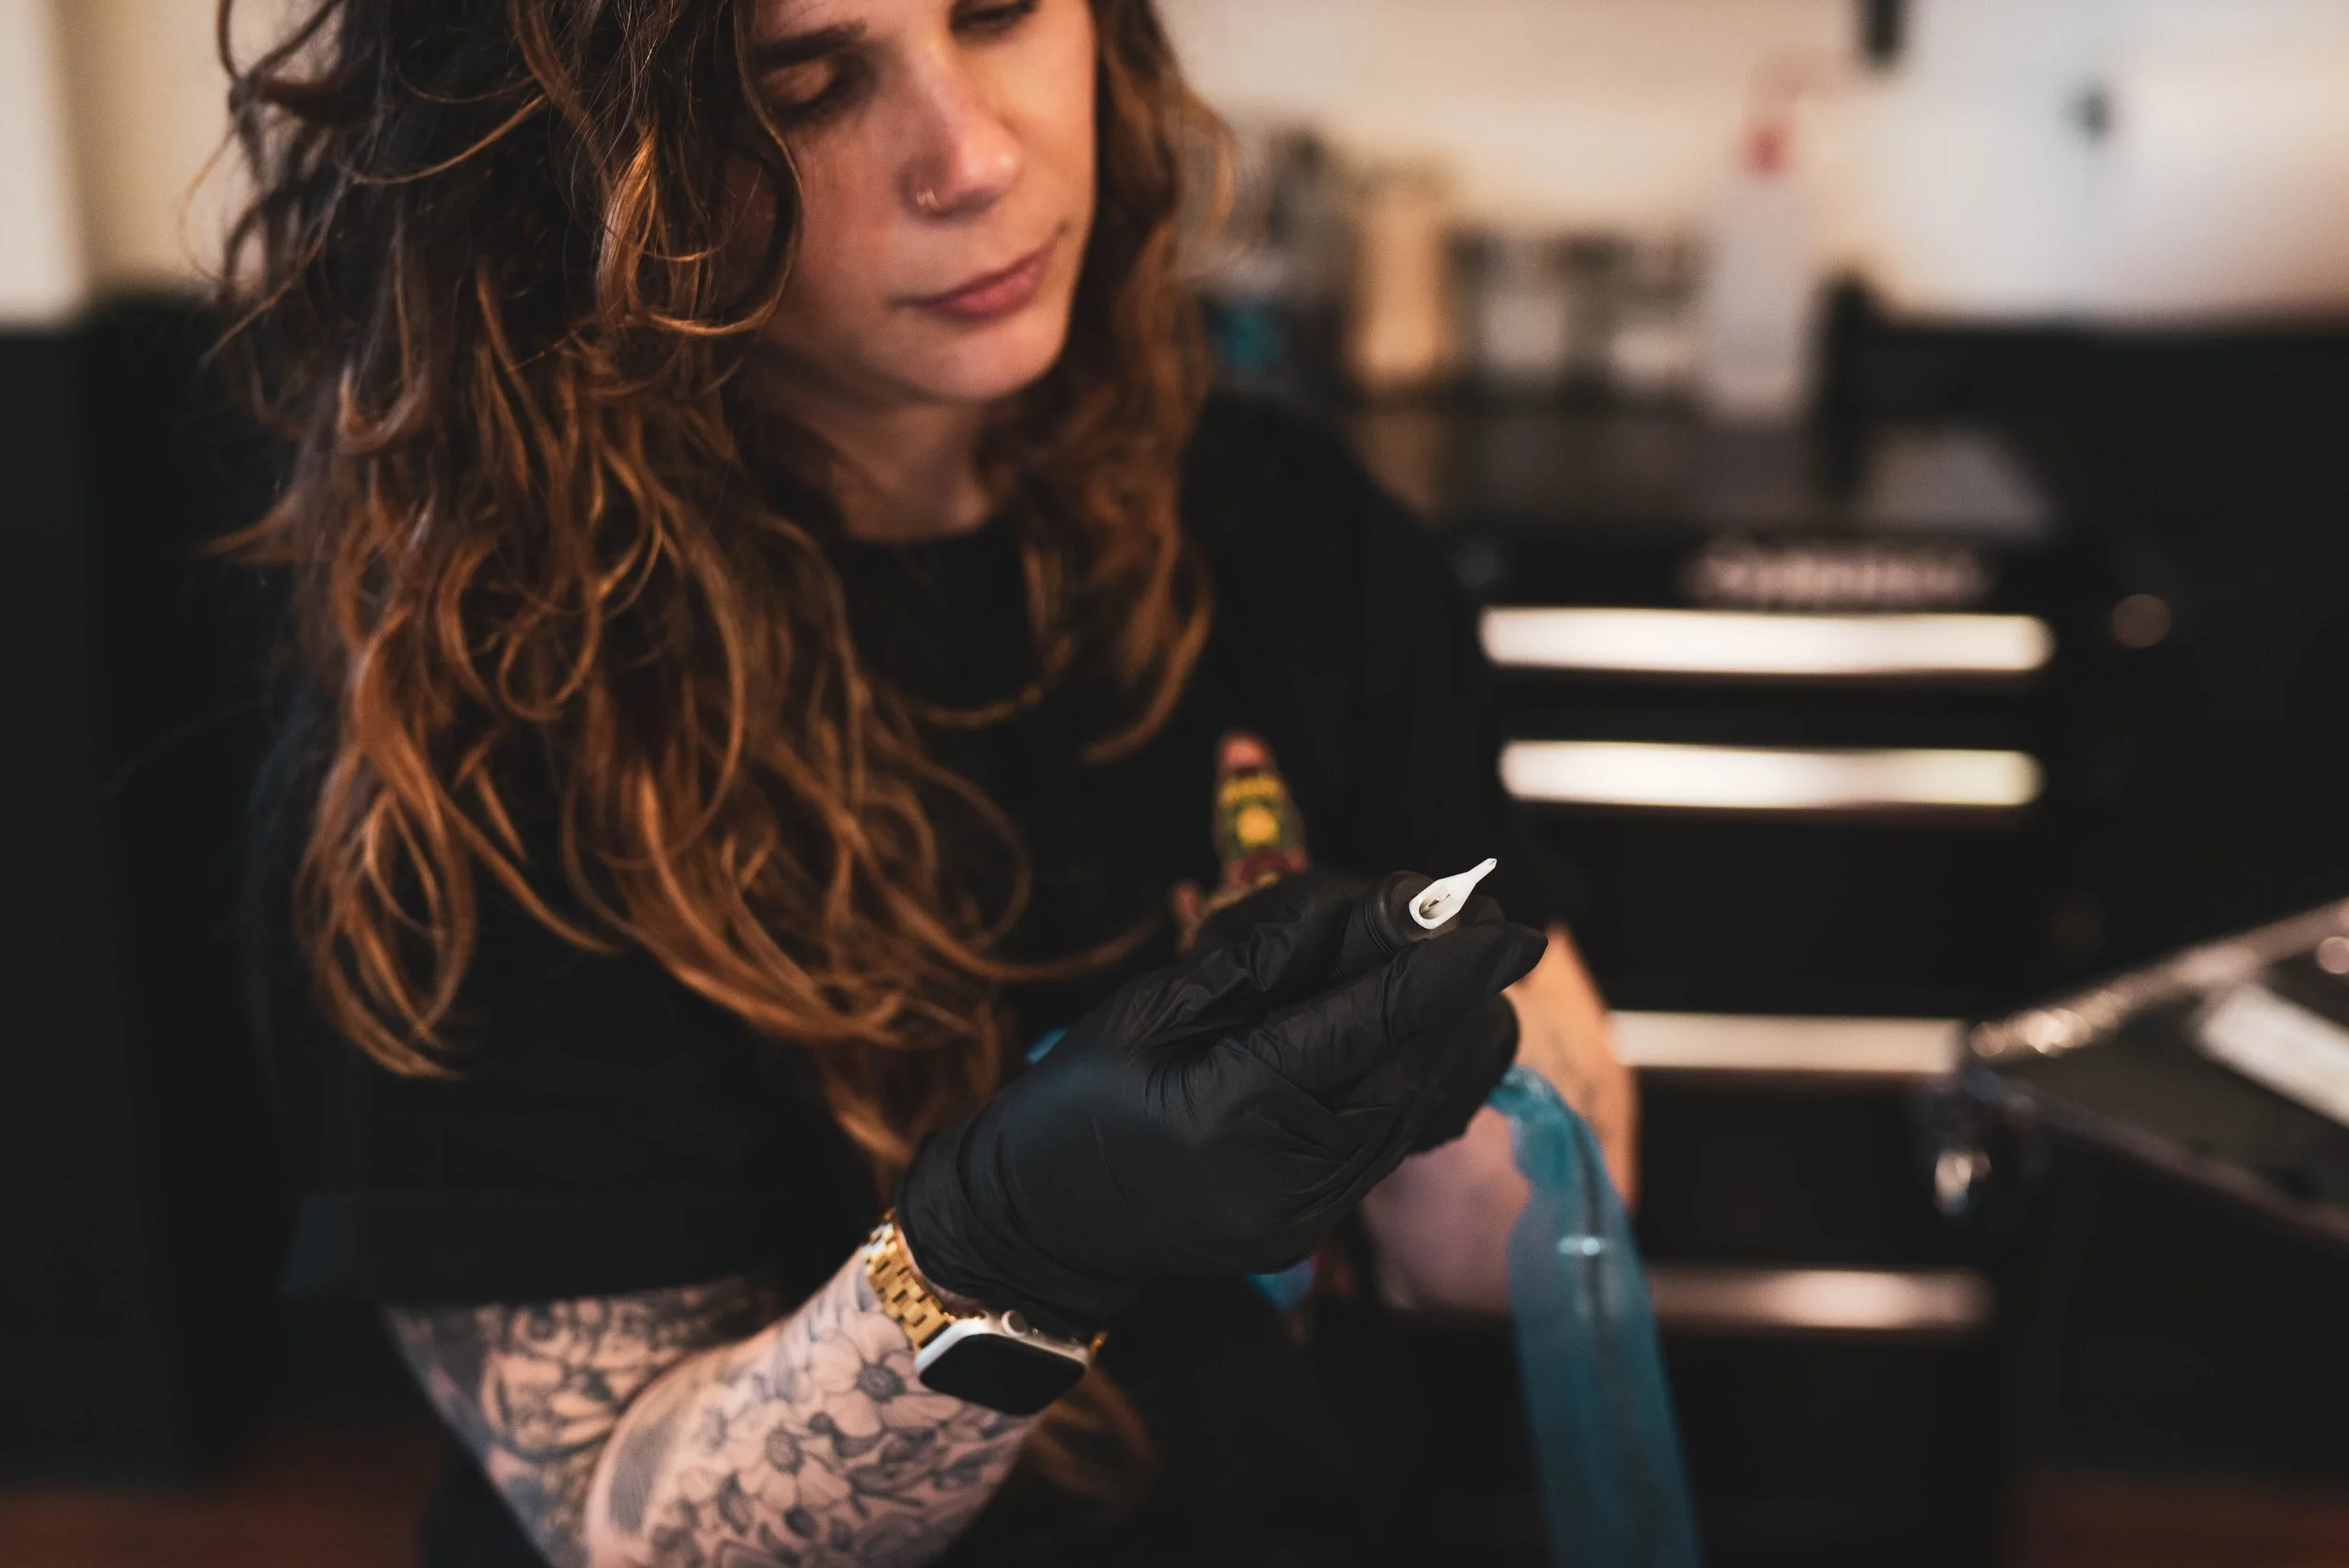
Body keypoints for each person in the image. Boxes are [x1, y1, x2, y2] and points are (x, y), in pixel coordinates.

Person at [225, 0, 1637, 1563]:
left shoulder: (1287, 523)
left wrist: (1469, 1070)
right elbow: (632, 1530)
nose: (974, 157)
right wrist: (1018, 1245)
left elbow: (1493, 1255)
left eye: (1000, 11)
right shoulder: (475, 743)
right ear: (582, 177)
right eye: (811, 87)